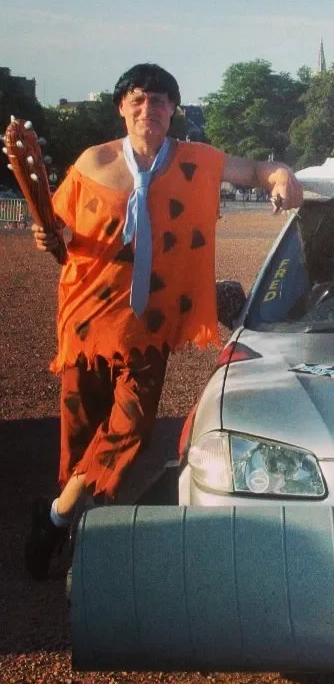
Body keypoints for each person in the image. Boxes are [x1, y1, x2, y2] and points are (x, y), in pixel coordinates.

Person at [25, 63, 304, 579]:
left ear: (173, 110)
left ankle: (56, 516)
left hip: (149, 326)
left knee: (130, 432)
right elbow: (59, 234)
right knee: (82, 434)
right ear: (121, 107)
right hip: (88, 320)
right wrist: (48, 240)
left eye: (159, 101)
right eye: (137, 100)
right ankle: (76, 528)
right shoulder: (93, 163)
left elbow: (256, 170)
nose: (148, 109)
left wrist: (282, 174)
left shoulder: (197, 161)